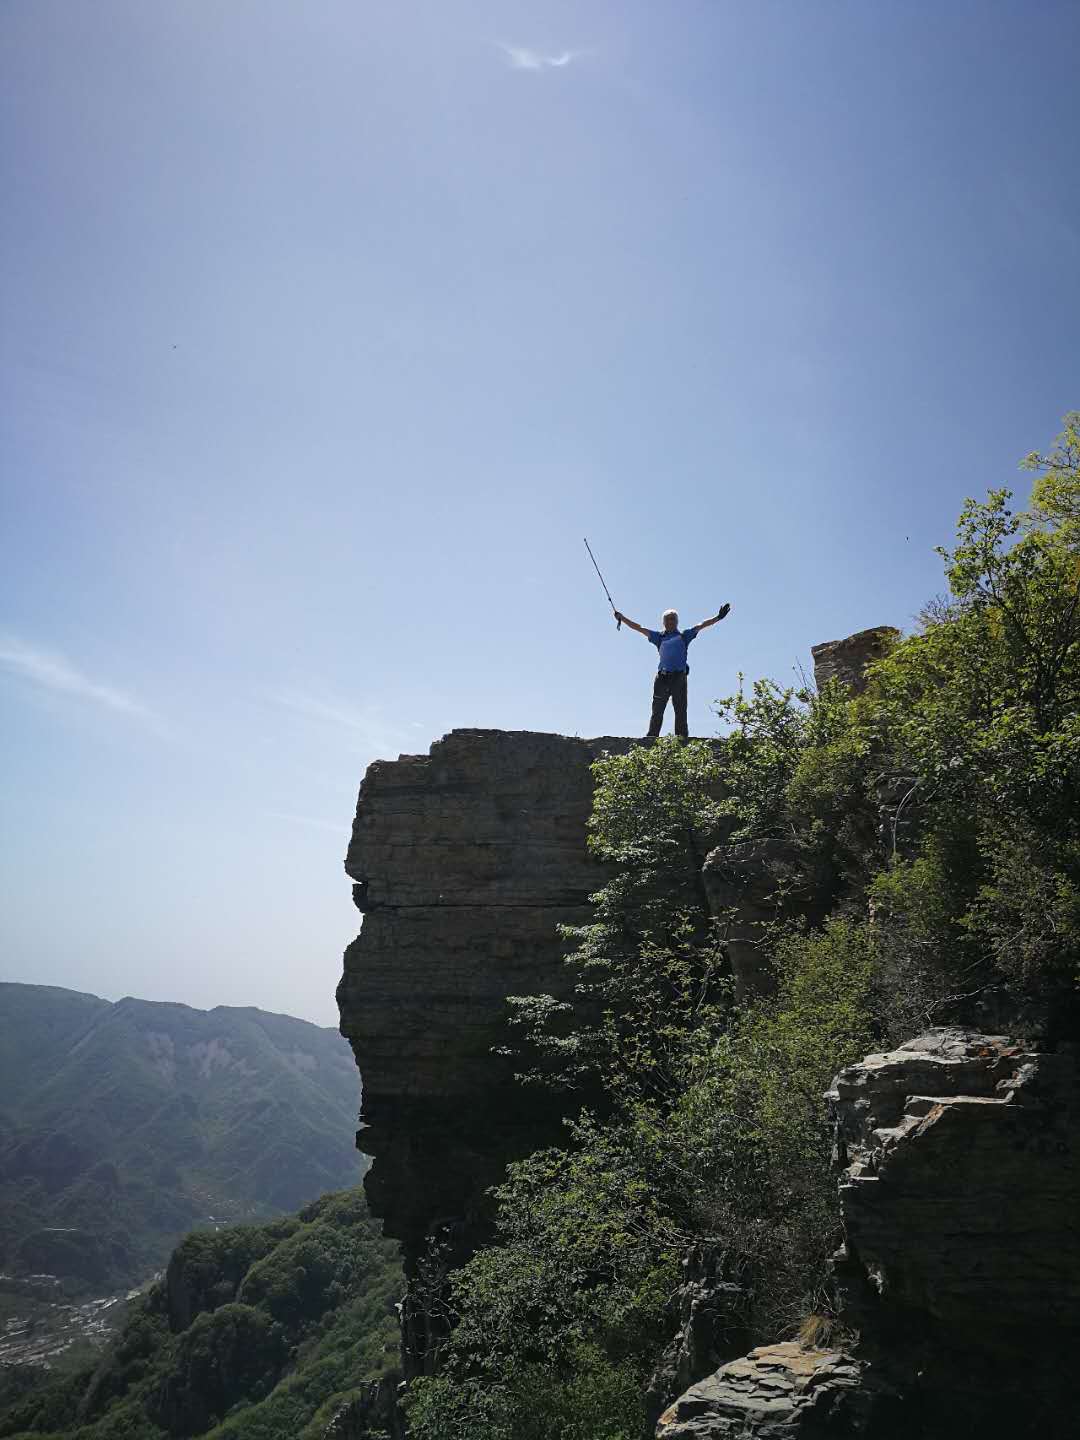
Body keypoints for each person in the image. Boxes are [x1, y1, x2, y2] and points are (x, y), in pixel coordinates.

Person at [613, 604, 731, 739]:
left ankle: (681, 738)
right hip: (662, 678)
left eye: (673, 619)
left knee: (680, 710)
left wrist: (718, 617)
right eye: (668, 619)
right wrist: (622, 618)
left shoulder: (684, 636)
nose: (670, 622)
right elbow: (639, 628)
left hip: (679, 678)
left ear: (677, 622)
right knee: (657, 709)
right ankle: (652, 737)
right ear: (663, 622)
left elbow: (702, 625)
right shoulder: (658, 637)